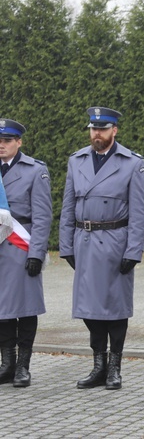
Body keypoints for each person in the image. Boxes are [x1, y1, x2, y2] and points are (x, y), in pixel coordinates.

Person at [59, 107, 144, 391]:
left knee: (115, 308)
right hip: (84, 240)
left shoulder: (132, 163)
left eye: (103, 129)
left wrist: (133, 251)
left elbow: (139, 211)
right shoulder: (77, 161)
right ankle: (98, 364)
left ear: (114, 131)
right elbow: (67, 205)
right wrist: (66, 245)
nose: (97, 134)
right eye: (93, 129)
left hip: (115, 242)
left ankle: (114, 368)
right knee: (88, 307)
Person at [0, 119, 52, 388]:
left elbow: (43, 216)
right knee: (2, 310)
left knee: (25, 308)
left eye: (7, 140)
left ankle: (23, 367)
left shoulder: (34, 170)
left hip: (21, 247)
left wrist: (37, 253)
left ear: (18, 142)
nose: (1, 145)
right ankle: (6, 364)